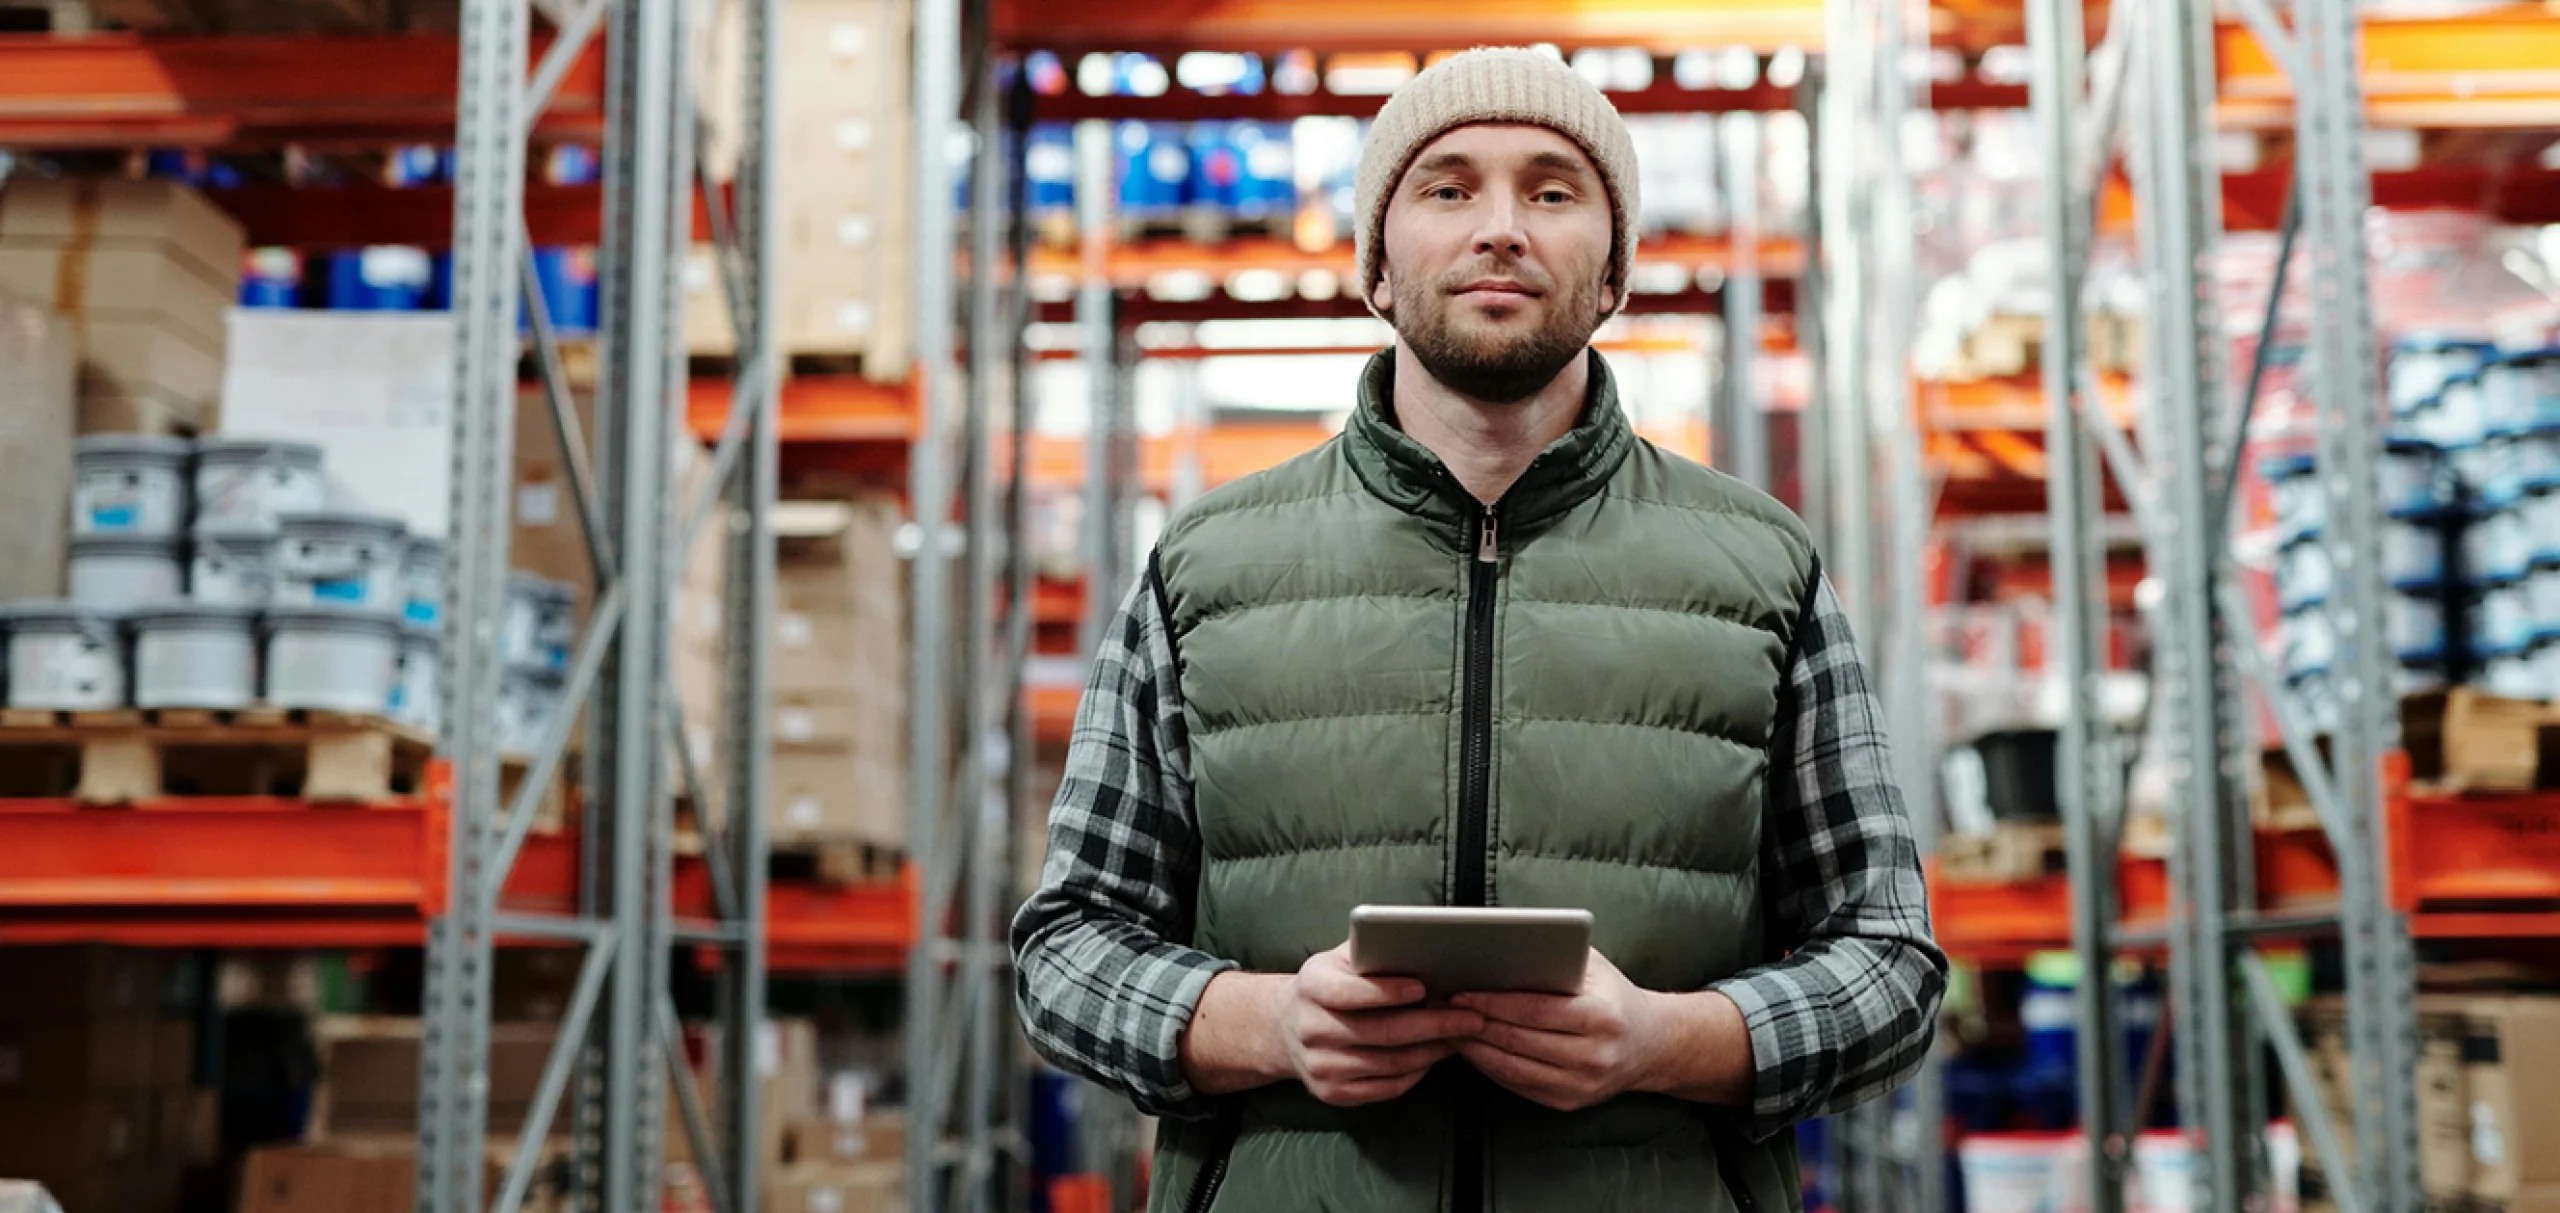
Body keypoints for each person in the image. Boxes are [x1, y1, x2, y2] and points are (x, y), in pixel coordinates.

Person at [1011, 46, 1946, 1213]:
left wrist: (1669, 1040)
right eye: (1447, 188)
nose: (1500, 227)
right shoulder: (1204, 568)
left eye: (1552, 191)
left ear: (1610, 274)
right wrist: (1266, 1024)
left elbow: (1891, 961)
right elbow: (1065, 948)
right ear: (1378, 267)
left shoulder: (1763, 568)